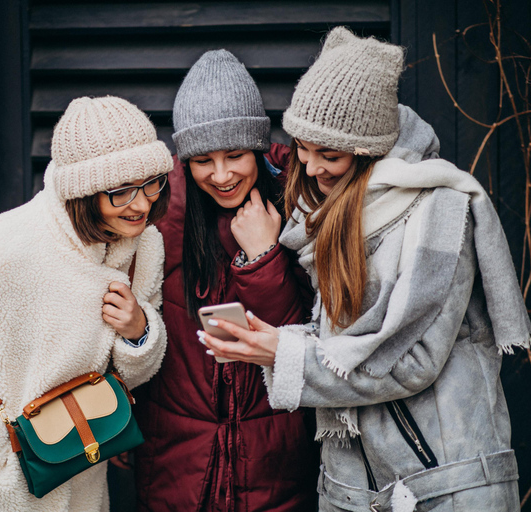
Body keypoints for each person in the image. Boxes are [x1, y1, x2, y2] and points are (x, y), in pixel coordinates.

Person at [200, 27, 529, 512]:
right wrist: (269, 342)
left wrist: (284, 355)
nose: (310, 169)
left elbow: (412, 358)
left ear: (368, 149)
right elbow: (341, 336)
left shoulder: (439, 212)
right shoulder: (327, 210)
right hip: (354, 487)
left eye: (328, 155)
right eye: (304, 149)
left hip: (445, 484)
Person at [0, 96, 173, 511]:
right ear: (82, 190)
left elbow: (132, 377)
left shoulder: (144, 246)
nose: (143, 203)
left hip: (78, 480)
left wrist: (139, 332)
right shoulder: (1, 246)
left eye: (151, 183)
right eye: (121, 191)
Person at [133, 49, 319, 512]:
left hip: (274, 462)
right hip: (176, 461)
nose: (221, 175)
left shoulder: (300, 200)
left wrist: (263, 257)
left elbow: (294, 340)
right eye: (203, 161)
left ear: (257, 146)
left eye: (235, 155)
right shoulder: (158, 213)